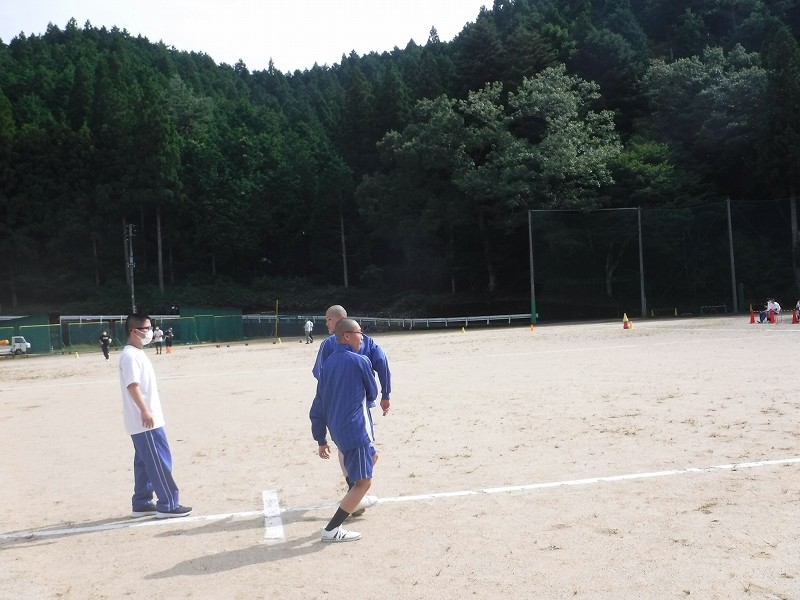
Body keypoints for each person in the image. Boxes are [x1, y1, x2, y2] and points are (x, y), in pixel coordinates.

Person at [312, 305, 391, 515]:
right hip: (358, 408)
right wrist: (385, 394)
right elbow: (382, 366)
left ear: (338, 319)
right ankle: (356, 492)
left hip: (340, 407)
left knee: (357, 450)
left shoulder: (335, 343)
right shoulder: (365, 342)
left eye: (328, 319)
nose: (326, 323)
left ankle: (355, 491)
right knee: (358, 448)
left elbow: (321, 376)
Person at [310, 318, 378, 542]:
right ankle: (332, 529)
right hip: (355, 429)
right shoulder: (361, 361)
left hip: (338, 430)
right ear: (347, 336)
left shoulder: (328, 364)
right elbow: (372, 393)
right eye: (359, 332)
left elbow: (318, 403)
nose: (363, 337)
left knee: (373, 456)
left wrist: (320, 437)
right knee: (364, 482)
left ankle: (354, 497)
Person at [119, 313, 192, 519]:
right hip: (145, 421)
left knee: (144, 463)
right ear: (134, 331)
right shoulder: (130, 356)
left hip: (144, 420)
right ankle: (168, 503)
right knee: (159, 461)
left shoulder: (136, 353)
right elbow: (132, 385)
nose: (150, 332)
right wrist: (145, 410)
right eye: (147, 328)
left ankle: (141, 502)